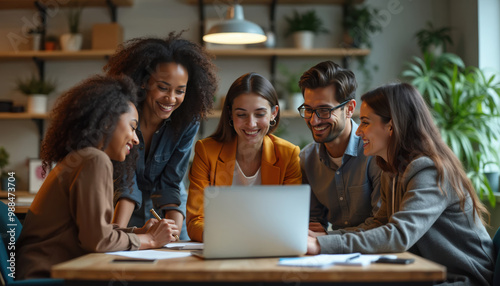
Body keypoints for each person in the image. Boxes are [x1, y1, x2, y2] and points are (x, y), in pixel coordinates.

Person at [307, 83, 495, 285]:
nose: (359, 131)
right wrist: (325, 236)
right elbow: (379, 224)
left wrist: (320, 245)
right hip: (426, 274)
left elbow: (398, 234)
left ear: (391, 126)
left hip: (464, 278)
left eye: (365, 122)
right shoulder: (393, 170)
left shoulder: (429, 170)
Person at [17, 75, 178, 280]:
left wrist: (138, 232)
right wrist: (151, 240)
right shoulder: (94, 159)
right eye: (132, 126)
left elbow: (94, 232)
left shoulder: (82, 157)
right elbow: (98, 240)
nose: (136, 139)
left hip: (42, 270)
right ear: (106, 121)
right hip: (47, 275)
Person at [104, 32, 217, 239]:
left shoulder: (187, 120)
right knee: (120, 254)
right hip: (123, 203)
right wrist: (116, 233)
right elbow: (126, 181)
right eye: (163, 87)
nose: (171, 99)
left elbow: (172, 181)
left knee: (175, 258)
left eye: (180, 91)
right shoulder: (123, 114)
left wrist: (171, 234)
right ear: (144, 82)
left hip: (169, 204)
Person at [186, 72, 302, 242]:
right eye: (241, 114)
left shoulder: (288, 155)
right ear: (230, 114)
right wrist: (222, 237)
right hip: (221, 244)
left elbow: (292, 219)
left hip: (269, 246)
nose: (251, 123)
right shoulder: (206, 151)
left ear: (274, 113)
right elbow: (195, 220)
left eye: (260, 114)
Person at [298, 60, 381, 233]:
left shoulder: (376, 153)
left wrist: (329, 239)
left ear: (349, 108)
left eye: (324, 110)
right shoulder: (306, 160)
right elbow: (314, 224)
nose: (314, 120)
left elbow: (381, 224)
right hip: (331, 254)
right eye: (308, 109)